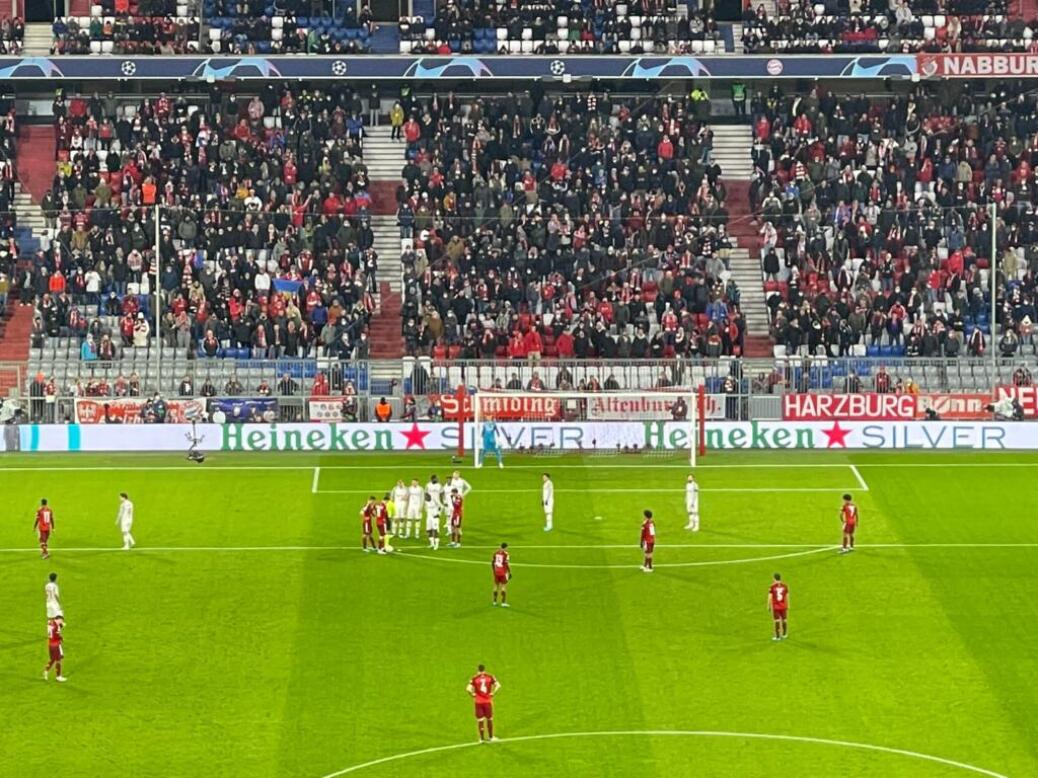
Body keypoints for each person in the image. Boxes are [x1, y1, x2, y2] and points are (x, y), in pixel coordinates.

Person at [466, 664, 501, 743]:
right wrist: (493, 693)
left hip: (478, 702)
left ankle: (481, 739)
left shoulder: (474, 678)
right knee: (489, 719)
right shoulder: (490, 676)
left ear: (478, 669)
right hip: (487, 701)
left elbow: (468, 688)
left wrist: (473, 694)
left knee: (480, 720)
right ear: (484, 669)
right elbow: (498, 685)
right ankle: (491, 737)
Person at [44, 616, 67, 682]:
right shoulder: (56, 627)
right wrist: (61, 638)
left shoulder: (50, 623)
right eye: (61, 620)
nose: (62, 622)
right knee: (58, 660)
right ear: (58, 619)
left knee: (52, 659)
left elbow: (53, 629)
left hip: (50, 644)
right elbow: (57, 635)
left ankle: (46, 671)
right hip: (56, 645)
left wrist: (61, 625)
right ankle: (58, 676)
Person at [768, 572, 789, 641]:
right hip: (783, 606)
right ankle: (784, 634)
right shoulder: (785, 586)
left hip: (776, 607)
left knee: (776, 621)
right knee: (784, 620)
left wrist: (768, 606)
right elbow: (787, 596)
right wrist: (788, 605)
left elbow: (770, 597)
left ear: (774, 578)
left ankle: (777, 637)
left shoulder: (772, 587)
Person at [491, 543, 511, 607]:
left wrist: (494, 570)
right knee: (503, 586)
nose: (507, 549)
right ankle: (503, 603)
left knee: (496, 586)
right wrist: (510, 572)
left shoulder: (495, 553)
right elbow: (507, 564)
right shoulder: (506, 554)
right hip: (503, 572)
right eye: (507, 547)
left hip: (496, 572)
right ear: (504, 547)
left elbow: (492, 562)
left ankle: (494, 602)